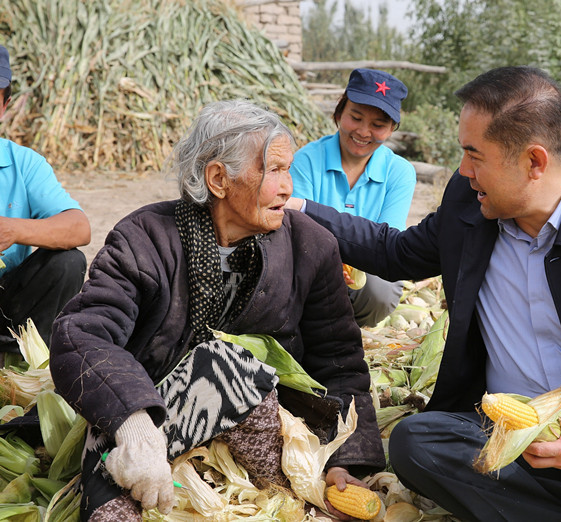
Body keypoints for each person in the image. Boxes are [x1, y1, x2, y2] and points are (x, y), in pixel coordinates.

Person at [287, 66, 561, 521]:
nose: (463, 170)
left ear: (534, 162)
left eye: (474, 155)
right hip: (507, 438)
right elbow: (394, 251)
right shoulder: (470, 204)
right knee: (416, 443)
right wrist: (299, 207)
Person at [49, 100, 384, 521]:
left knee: (225, 362)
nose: (288, 188)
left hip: (265, 441)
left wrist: (346, 459)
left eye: (289, 170)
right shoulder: (145, 239)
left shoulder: (311, 247)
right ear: (219, 179)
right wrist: (134, 426)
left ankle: (288, 494)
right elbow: (82, 334)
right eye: (275, 170)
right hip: (154, 427)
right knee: (110, 513)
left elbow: (341, 362)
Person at [290, 68, 416, 327]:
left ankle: (343, 324)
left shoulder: (400, 172)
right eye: (355, 118)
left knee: (381, 291)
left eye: (378, 125)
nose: (363, 131)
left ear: (392, 129)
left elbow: (388, 241)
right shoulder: (306, 160)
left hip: (367, 272)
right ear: (339, 114)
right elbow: (296, 229)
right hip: (312, 264)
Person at [0, 44, 90, 355]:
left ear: (4, 106)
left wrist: (13, 230)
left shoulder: (24, 163)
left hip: (7, 304)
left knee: (68, 262)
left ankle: (21, 359)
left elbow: (78, 228)